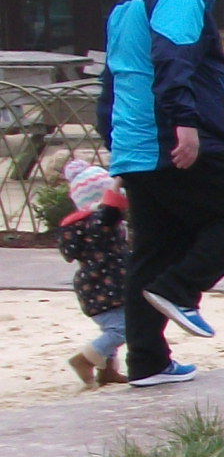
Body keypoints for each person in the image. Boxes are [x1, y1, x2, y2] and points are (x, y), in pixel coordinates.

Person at [99, 0, 224, 387]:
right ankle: (179, 291)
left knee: (154, 249)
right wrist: (186, 124)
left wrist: (118, 149)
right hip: (175, 141)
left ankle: (148, 362)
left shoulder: (131, 0)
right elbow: (173, 60)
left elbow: (113, 81)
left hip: (136, 145)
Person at [55, 159, 129, 388]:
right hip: (108, 285)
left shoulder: (75, 225)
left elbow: (69, 253)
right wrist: (119, 180)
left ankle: (107, 371)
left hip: (92, 287)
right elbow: (111, 210)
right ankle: (84, 359)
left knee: (112, 327)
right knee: (122, 329)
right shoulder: (99, 222)